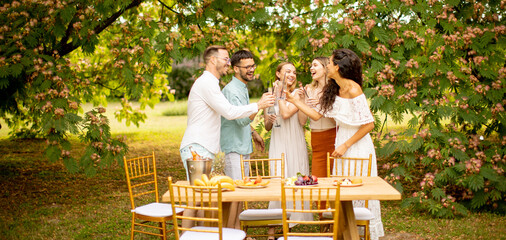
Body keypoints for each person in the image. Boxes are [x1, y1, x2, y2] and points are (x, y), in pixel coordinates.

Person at [285, 49, 384, 240]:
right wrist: (295, 101)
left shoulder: (354, 89)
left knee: (358, 190)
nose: (327, 65)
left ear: (337, 67)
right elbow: (315, 115)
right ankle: (345, 233)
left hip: (356, 145)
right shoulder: (334, 89)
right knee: (342, 191)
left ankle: (361, 233)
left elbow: (369, 124)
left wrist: (346, 145)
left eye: (329, 63)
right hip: (342, 143)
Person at [179, 45, 275, 229]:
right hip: (196, 147)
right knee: (195, 200)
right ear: (213, 60)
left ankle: (202, 234)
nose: (228, 63)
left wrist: (252, 131)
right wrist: (259, 105)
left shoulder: (211, 83)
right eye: (225, 59)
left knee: (202, 198)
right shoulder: (207, 83)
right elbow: (230, 112)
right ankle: (186, 235)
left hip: (202, 147)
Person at [264, 62, 311, 239]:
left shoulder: (298, 94)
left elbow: (301, 120)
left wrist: (296, 100)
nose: (292, 74)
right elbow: (268, 126)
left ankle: (288, 230)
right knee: (277, 181)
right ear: (278, 73)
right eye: (287, 71)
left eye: (294, 72)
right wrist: (269, 118)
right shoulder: (269, 94)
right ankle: (271, 230)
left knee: (293, 180)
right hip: (279, 142)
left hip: (295, 141)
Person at [219, 50, 265, 229]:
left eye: (253, 65)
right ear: (235, 69)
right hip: (233, 148)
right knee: (235, 195)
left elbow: (243, 119)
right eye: (247, 67)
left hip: (243, 146)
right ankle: (234, 233)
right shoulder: (231, 90)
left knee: (240, 194)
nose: (251, 69)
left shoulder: (241, 87)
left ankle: (238, 232)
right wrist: (259, 106)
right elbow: (240, 120)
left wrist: (253, 133)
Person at [298, 57, 337, 178]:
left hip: (333, 139)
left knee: (336, 181)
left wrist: (322, 105)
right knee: (318, 182)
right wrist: (301, 101)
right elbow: (302, 121)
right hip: (316, 141)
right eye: (311, 65)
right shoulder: (308, 89)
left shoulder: (334, 90)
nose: (311, 68)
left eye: (315, 65)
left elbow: (337, 121)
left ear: (325, 68)